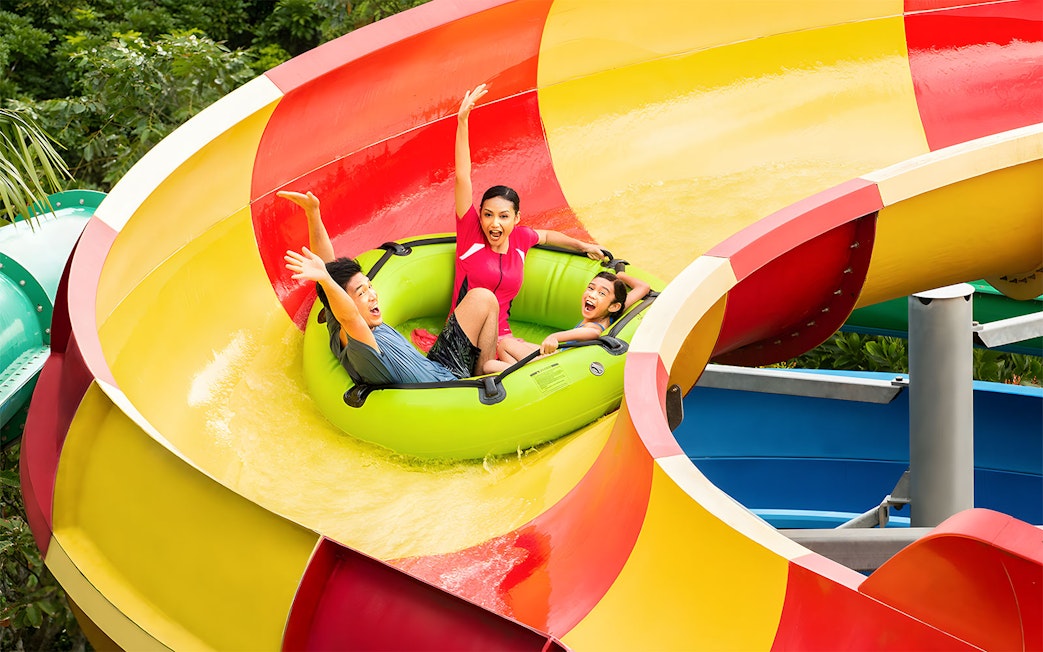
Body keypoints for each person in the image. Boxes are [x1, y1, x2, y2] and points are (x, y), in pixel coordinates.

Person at [281, 190, 499, 384]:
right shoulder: (359, 341)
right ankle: (486, 384)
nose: (373, 295)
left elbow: (327, 265)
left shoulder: (340, 321)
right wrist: (327, 282)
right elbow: (349, 316)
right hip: (446, 391)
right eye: (361, 292)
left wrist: (313, 213)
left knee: (483, 297)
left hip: (439, 366)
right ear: (344, 304)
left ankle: (482, 372)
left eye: (369, 287)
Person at [454, 83, 607, 340]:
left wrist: (582, 246)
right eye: (488, 214)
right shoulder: (470, 233)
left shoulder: (520, 239)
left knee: (527, 359)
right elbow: (462, 177)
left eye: (503, 216)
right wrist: (462, 122)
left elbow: (546, 236)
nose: (494, 223)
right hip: (464, 335)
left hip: (500, 335)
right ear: (479, 215)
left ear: (516, 219)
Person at [483, 269, 650, 373]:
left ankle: (518, 376)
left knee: (489, 365)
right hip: (558, 356)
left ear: (614, 305)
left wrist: (554, 337)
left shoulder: (594, 328)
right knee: (504, 345)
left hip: (556, 362)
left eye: (601, 293)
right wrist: (619, 275)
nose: (592, 295)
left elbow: (591, 333)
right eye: (591, 288)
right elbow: (643, 288)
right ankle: (517, 374)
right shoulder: (612, 312)